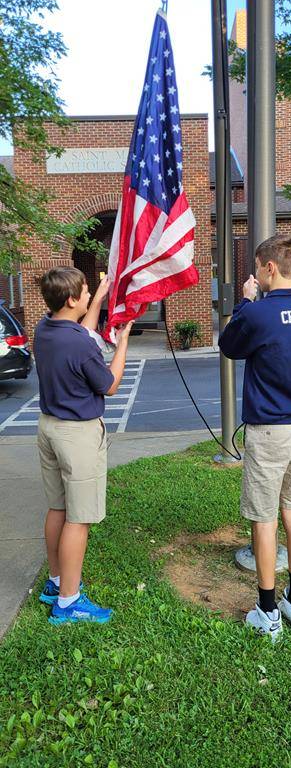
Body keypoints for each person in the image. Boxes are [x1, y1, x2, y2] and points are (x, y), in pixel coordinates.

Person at [219, 235, 291, 641]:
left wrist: (245, 302)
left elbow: (229, 345)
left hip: (269, 429)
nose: (255, 276)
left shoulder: (259, 313)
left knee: (264, 518)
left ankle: (268, 610)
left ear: (270, 268)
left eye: (256, 268)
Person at [33, 267, 133, 625]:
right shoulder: (77, 344)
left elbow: (83, 332)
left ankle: (56, 582)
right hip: (77, 436)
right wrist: (122, 343)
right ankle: (68, 603)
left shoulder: (46, 328)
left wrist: (103, 295)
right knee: (80, 517)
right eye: (87, 292)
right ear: (72, 300)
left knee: (57, 508)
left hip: (49, 429)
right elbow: (109, 385)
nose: (90, 295)